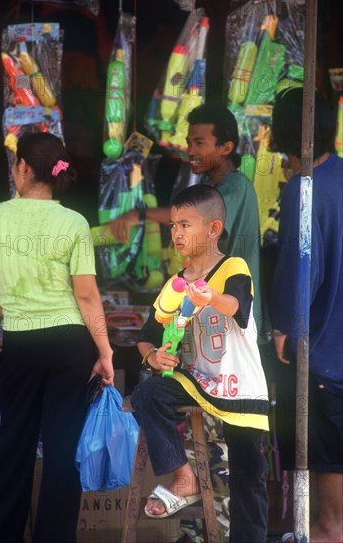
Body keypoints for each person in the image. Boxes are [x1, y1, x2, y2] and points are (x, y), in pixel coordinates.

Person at [0, 132, 114, 543]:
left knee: (13, 444)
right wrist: (104, 350)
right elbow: (86, 294)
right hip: (70, 342)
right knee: (61, 449)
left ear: (21, 166)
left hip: (20, 341)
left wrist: (16, 313)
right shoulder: (74, 222)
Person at [131, 184, 269, 543]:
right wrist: (152, 355)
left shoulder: (233, 267)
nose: (176, 232)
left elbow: (236, 306)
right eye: (174, 224)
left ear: (213, 230)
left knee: (247, 478)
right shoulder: (175, 284)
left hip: (238, 388)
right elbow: (146, 334)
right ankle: (184, 478)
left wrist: (211, 296)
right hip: (194, 383)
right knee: (147, 394)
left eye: (186, 225)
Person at [109, 103, 268, 342]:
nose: (190, 150)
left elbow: (194, 218)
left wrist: (140, 215)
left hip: (235, 317)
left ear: (226, 147)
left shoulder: (234, 186)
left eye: (199, 143)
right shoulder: (221, 187)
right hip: (217, 314)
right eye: (189, 142)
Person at [270, 88, 343, 543]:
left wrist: (284, 326)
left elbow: (302, 265)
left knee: (327, 520)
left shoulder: (305, 188)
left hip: (322, 360)